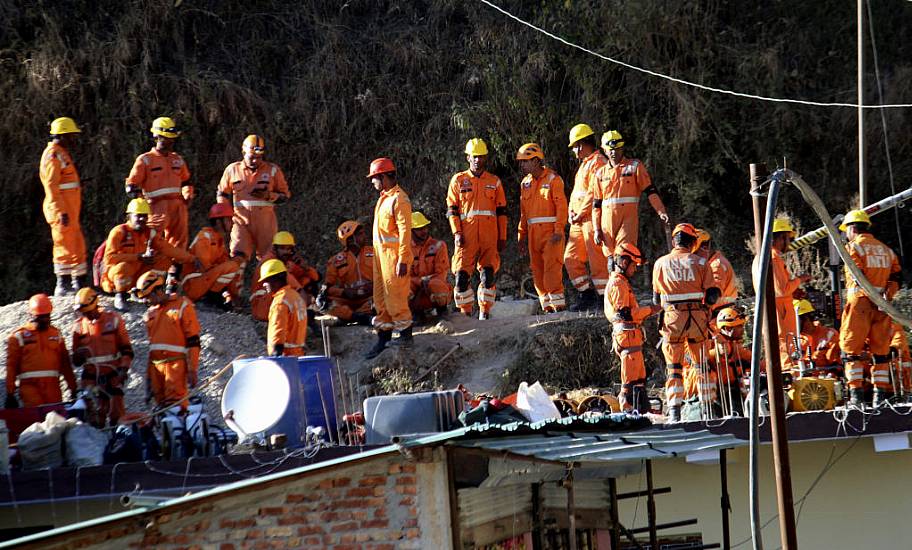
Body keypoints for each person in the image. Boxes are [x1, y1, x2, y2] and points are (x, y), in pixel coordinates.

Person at [652, 223, 720, 421]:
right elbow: (712, 296)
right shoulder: (700, 263)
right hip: (697, 321)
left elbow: (656, 300)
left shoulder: (660, 264)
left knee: (674, 369)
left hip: (673, 321)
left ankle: (674, 412)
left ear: (674, 241)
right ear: (692, 243)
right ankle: (708, 410)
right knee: (702, 366)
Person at [838, 210, 902, 407]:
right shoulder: (886, 250)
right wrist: (886, 295)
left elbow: (856, 274)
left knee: (851, 350)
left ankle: (856, 395)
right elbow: (898, 276)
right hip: (883, 307)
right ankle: (879, 397)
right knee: (880, 352)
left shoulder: (853, 247)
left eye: (847, 230)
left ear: (852, 228)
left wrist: (869, 296)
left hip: (860, 303)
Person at [446, 138, 507, 319]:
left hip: (489, 237)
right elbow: (452, 210)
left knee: (488, 276)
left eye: (481, 157)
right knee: (461, 277)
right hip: (466, 237)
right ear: (468, 158)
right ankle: (465, 314)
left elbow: (502, 211)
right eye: (474, 157)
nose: (478, 160)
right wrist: (456, 232)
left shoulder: (494, 181)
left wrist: (502, 237)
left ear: (485, 158)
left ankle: (484, 312)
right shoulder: (458, 180)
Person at [101, 198, 196, 311]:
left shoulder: (148, 232)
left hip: (136, 273)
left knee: (164, 259)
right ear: (129, 216)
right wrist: (138, 257)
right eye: (138, 215)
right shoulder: (119, 232)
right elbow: (108, 259)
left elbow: (168, 249)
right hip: (115, 277)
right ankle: (120, 296)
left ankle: (146, 292)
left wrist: (192, 258)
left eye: (145, 216)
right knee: (124, 267)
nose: (142, 219)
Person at [591, 130, 669, 263]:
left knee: (624, 258)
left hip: (627, 222)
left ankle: (621, 282)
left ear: (622, 148)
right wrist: (596, 229)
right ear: (604, 150)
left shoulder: (634, 167)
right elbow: (596, 205)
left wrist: (661, 211)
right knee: (611, 261)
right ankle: (614, 283)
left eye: (617, 148)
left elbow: (650, 191)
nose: (614, 152)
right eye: (611, 150)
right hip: (607, 225)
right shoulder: (600, 174)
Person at [364, 158, 413, 359]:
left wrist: (402, 258)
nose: (372, 182)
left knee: (395, 299)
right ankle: (383, 338)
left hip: (393, 258)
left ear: (383, 177)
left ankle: (405, 336)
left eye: (374, 178)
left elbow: (404, 231)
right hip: (380, 258)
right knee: (381, 300)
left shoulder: (399, 199)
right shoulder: (384, 198)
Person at [604, 243, 661, 412]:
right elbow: (625, 314)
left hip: (631, 336)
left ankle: (641, 409)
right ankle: (627, 409)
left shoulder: (621, 283)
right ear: (624, 262)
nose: (635, 269)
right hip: (626, 336)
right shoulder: (617, 284)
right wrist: (652, 309)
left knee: (638, 378)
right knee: (629, 380)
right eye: (633, 265)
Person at [216, 135, 290, 265]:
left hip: (265, 224)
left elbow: (285, 196)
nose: (255, 161)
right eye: (252, 157)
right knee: (237, 257)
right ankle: (235, 284)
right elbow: (222, 193)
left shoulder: (273, 170)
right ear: (244, 152)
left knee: (269, 260)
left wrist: (268, 196)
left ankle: (263, 285)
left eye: (259, 157)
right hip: (240, 222)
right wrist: (225, 216)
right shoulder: (232, 170)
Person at [125, 117, 193, 249]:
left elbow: (186, 181)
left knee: (179, 244)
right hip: (155, 207)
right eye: (167, 137)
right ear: (157, 136)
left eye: (172, 138)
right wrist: (142, 207)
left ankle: (175, 268)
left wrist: (188, 196)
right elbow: (132, 186)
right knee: (150, 241)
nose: (171, 141)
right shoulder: (145, 160)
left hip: (178, 207)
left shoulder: (177, 160)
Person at [135, 272, 200, 410]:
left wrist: (192, 369)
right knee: (161, 409)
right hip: (156, 368)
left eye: (149, 296)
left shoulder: (182, 305)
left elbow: (193, 340)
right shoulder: (150, 314)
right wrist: (148, 379)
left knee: (175, 407)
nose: (147, 301)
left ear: (158, 290)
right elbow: (152, 349)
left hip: (176, 366)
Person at [753, 218, 811, 371]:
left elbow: (777, 289)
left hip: (774, 309)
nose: (789, 242)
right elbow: (782, 290)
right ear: (780, 238)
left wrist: (794, 292)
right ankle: (788, 378)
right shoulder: (773, 258)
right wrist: (800, 279)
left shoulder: (761, 257)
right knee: (786, 344)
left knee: (778, 345)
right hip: (780, 312)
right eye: (788, 238)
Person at [516, 143, 568, 312]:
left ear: (537, 160)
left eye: (526, 161)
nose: (522, 165)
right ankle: (548, 309)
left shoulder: (553, 179)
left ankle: (558, 308)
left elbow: (561, 207)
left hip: (551, 234)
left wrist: (559, 230)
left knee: (552, 272)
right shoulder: (525, 184)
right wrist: (521, 237)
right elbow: (524, 213)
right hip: (533, 235)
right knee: (538, 274)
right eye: (521, 162)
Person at [71, 288, 134, 426]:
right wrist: (78, 356)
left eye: (85, 310)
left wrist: (123, 369)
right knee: (92, 418)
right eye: (82, 311)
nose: (84, 313)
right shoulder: (78, 327)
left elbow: (126, 349)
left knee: (117, 417)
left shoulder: (114, 319)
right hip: (91, 378)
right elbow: (75, 361)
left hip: (113, 375)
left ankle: (117, 441)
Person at [40, 117, 88, 295]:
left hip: (69, 209)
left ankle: (79, 283)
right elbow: (51, 185)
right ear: (63, 135)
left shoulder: (61, 152)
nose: (74, 139)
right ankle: (63, 284)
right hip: (61, 209)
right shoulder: (53, 154)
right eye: (71, 135)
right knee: (64, 244)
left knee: (76, 243)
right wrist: (60, 210)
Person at [564, 124, 609, 311]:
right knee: (571, 258)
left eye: (575, 146)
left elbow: (593, 193)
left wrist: (580, 213)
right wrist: (570, 212)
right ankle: (587, 294)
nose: (574, 150)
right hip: (579, 220)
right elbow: (577, 193)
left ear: (582, 144)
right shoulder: (585, 164)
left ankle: (604, 297)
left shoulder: (598, 162)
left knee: (598, 261)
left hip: (592, 219)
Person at [4, 294, 76, 408]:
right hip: (30, 387)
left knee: (55, 419)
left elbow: (65, 364)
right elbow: (11, 366)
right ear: (31, 315)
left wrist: (73, 388)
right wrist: (10, 392)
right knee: (37, 419)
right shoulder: (19, 336)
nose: (45, 320)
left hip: (53, 387)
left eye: (47, 316)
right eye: (40, 317)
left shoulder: (56, 334)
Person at [683, 307, 751, 419]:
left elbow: (749, 358)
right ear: (726, 328)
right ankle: (707, 411)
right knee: (705, 371)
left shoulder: (731, 343)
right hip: (697, 395)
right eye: (739, 326)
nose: (742, 330)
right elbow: (697, 357)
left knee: (745, 371)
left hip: (725, 392)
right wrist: (719, 350)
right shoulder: (698, 336)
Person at [180, 203, 243, 308]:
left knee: (234, 264)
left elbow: (224, 267)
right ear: (219, 221)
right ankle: (210, 298)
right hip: (193, 284)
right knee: (232, 265)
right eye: (228, 219)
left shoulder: (218, 240)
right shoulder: (205, 237)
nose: (232, 223)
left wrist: (234, 296)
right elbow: (204, 266)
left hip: (202, 281)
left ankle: (213, 297)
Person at [250, 231, 320, 321]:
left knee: (306, 280)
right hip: (262, 305)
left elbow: (315, 277)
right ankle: (299, 313)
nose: (286, 251)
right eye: (282, 248)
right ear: (275, 249)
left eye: (289, 248)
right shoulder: (270, 262)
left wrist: (305, 267)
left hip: (273, 301)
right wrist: (303, 301)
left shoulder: (286, 261)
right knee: (288, 287)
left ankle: (301, 311)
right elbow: (288, 279)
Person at [318, 221, 374, 325]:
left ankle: (350, 316)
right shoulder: (336, 261)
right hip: (348, 300)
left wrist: (375, 286)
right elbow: (328, 288)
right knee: (325, 304)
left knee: (385, 299)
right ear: (350, 240)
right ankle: (359, 317)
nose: (364, 236)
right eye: (360, 234)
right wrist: (344, 292)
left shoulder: (375, 253)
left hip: (370, 297)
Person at [259, 259, 308, 356]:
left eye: (267, 280)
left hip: (286, 356)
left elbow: (278, 331)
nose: (264, 284)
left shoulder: (280, 302)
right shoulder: (295, 296)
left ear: (278, 278)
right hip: (299, 354)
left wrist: (275, 354)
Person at [408, 211, 452, 318]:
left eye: (425, 227)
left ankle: (441, 310)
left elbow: (441, 272)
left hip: (432, 285)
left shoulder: (439, 246)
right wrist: (419, 281)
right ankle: (416, 313)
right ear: (411, 231)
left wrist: (427, 281)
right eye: (419, 229)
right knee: (402, 288)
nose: (424, 231)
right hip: (416, 289)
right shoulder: (406, 250)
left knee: (437, 285)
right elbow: (405, 276)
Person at [692, 229, 738, 321]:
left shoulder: (716, 266)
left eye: (695, 253)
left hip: (720, 316)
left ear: (705, 248)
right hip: (722, 314)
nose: (693, 257)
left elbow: (712, 296)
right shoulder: (715, 262)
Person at [791, 299, 840, 375]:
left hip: (825, 382)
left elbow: (837, 364)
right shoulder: (792, 340)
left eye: (793, 320)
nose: (791, 324)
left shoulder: (829, 335)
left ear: (806, 319)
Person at [889, 322, 911, 399]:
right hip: (878, 387)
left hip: (903, 387)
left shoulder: (895, 328)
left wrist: (892, 349)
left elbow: (899, 341)